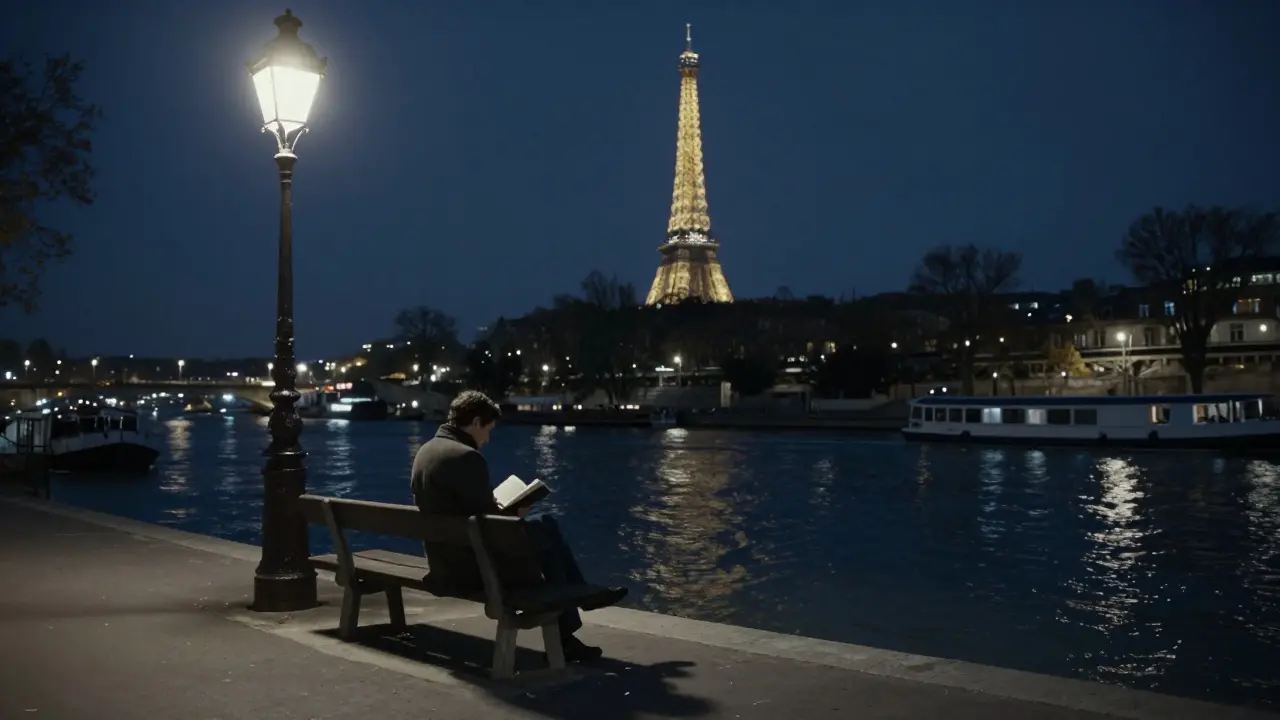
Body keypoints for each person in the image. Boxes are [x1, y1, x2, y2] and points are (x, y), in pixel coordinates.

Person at [410, 390, 627, 662]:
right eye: (487, 430)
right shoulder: (466, 457)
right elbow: (490, 524)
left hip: (444, 558)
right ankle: (579, 602)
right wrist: (515, 511)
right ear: (475, 422)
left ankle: (580, 599)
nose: (487, 439)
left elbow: (472, 514)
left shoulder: (426, 450)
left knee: (543, 527)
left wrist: (507, 514)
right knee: (544, 535)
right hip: (471, 567)